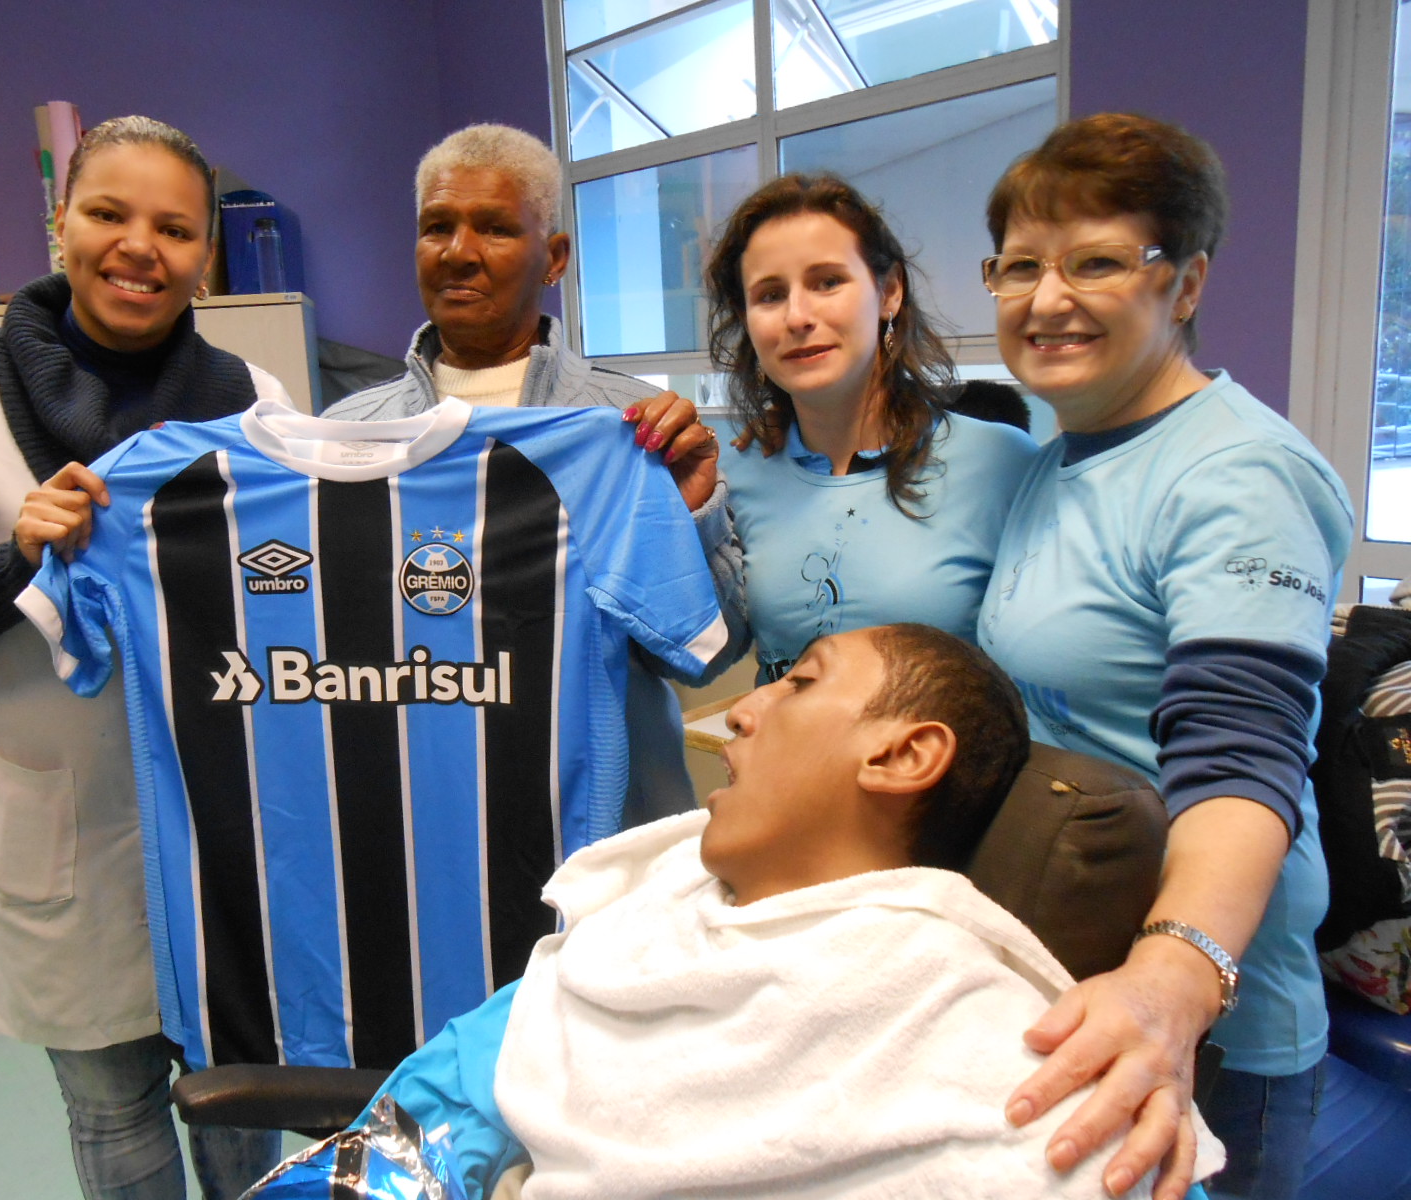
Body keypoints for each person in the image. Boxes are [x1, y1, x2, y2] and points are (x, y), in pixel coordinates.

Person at [323, 625, 1224, 1200]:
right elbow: (427, 1116)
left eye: (798, 683)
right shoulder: (654, 913)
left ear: (904, 754)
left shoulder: (988, 1031)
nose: (740, 714)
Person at [0, 116, 286, 1199]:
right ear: (61, 223)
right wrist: (18, 560)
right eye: (109, 213)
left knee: (245, 1094)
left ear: (204, 252)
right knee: (112, 1109)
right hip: (63, 822)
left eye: (175, 228)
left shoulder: (258, 405)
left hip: (233, 826)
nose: (141, 246)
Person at [975, 113, 1353, 1200]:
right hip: (1072, 973)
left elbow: (1242, 748)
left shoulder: (1238, 476)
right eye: (1019, 267)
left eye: (1096, 262)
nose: (1046, 299)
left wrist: (1175, 976)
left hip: (1204, 1028)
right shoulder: (1062, 457)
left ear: (1184, 286)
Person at [323, 122, 738, 824]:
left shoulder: (636, 426)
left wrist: (686, 521)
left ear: (554, 258)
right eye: (437, 228)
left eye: (494, 229)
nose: (459, 253)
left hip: (609, 823)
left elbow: (706, 653)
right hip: (429, 816)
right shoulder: (346, 437)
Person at [703, 174, 1038, 682]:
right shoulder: (736, 475)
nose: (798, 316)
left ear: (890, 292)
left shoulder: (1002, 463)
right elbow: (702, 655)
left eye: (827, 282)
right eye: (770, 295)